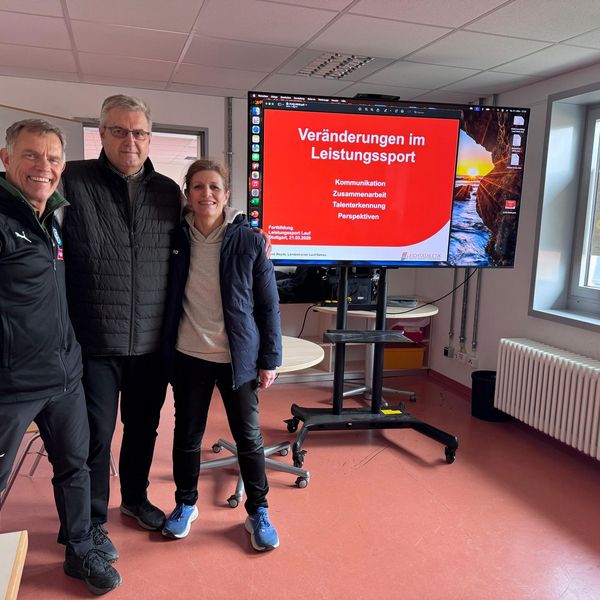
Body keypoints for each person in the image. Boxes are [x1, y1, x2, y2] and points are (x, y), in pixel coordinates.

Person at [0, 119, 121, 595]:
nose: (43, 167)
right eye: (31, 155)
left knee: (76, 467)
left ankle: (80, 549)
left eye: (52, 159)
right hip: (11, 384)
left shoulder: (52, 216)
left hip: (65, 376)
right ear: (6, 159)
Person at [60, 95, 183, 555]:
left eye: (139, 132)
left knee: (143, 428)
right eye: (119, 130)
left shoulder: (168, 192)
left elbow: (201, 236)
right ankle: (92, 520)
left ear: (149, 138)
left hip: (151, 342)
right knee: (95, 436)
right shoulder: (72, 180)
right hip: (93, 339)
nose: (130, 140)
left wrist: (246, 235)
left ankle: (134, 499)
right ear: (102, 134)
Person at [161, 159, 282, 551]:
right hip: (189, 355)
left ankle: (258, 511)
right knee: (187, 435)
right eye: (198, 186)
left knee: (248, 437)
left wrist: (270, 359)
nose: (206, 194)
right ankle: (185, 504)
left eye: (214, 187)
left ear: (227, 194)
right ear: (187, 193)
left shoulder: (249, 241)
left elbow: (268, 305)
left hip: (238, 359)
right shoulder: (175, 238)